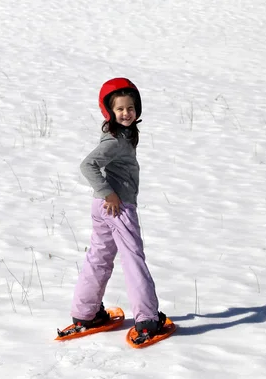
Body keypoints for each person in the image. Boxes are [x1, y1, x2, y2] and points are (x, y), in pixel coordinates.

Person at [70, 77, 165, 340]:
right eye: (120, 109)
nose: (126, 113)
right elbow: (87, 165)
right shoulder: (114, 141)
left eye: (131, 108)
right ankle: (147, 319)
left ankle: (85, 312)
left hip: (102, 206)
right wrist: (109, 193)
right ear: (110, 111)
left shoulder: (121, 135)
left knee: (100, 255)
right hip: (117, 206)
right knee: (133, 257)